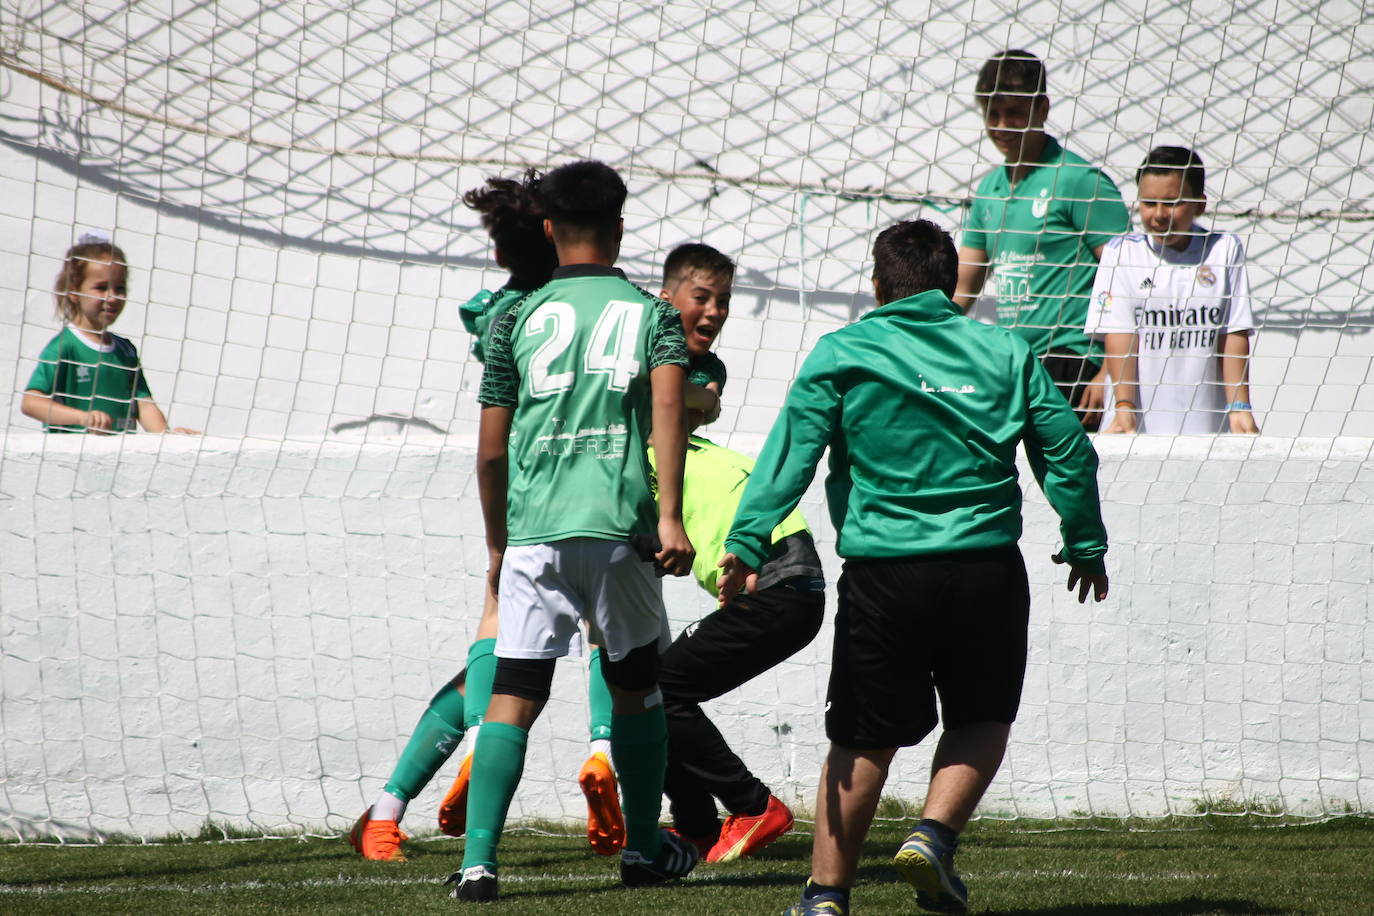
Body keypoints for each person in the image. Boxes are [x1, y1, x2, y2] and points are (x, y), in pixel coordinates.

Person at [717, 220, 1109, 916]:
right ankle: (932, 835)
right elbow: (1069, 454)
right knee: (982, 715)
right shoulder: (1004, 349)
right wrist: (1085, 542)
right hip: (986, 568)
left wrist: (748, 543)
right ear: (954, 281)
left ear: (877, 285)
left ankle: (825, 897)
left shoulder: (845, 351)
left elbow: (789, 455)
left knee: (862, 738)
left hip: (886, 574)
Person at [453, 159, 699, 902]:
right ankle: (643, 848)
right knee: (634, 686)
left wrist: (499, 545)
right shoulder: (652, 314)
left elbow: (490, 451)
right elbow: (668, 418)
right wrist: (670, 518)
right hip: (621, 528)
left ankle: (478, 864)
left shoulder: (513, 321)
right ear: (621, 228)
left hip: (537, 529)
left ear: (549, 228)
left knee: (515, 692)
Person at [651, 243, 825, 862]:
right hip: (779, 585)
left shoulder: (680, 387)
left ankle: (754, 807)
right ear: (668, 295)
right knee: (654, 695)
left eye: (722, 300)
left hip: (779, 578)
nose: (716, 311)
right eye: (704, 297)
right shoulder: (649, 454)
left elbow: (705, 388)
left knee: (662, 691)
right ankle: (697, 825)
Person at [954, 50, 1131, 431]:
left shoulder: (1079, 181)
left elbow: (1130, 282)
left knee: (1060, 481)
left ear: (1042, 109)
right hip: (1013, 362)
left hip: (1071, 359)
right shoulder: (989, 190)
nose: (1001, 126)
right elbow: (962, 289)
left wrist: (1106, 373)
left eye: (1014, 113)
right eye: (992, 114)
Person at [1086, 146, 1260, 433]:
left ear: (1199, 204)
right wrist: (1124, 408)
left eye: (1172, 203)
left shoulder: (1223, 249)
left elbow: (1233, 332)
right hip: (1136, 423)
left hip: (1206, 423)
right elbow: (1120, 334)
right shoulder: (1121, 253)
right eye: (1148, 203)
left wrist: (1240, 408)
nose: (1159, 214)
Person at [22, 234, 198, 434]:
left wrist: (167, 437)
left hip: (119, 459)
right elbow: (31, 402)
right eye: (101, 288)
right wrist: (82, 418)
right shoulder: (65, 346)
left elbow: (144, 404)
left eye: (120, 288)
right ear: (73, 292)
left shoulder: (126, 350)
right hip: (72, 458)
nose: (113, 297)